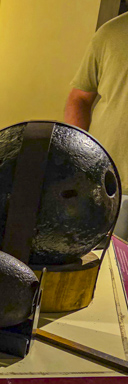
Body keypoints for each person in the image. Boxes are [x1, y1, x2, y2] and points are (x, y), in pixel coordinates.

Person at [65, 12, 128, 234]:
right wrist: (77, 160)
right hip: (108, 182)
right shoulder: (110, 33)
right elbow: (79, 98)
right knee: (104, 265)